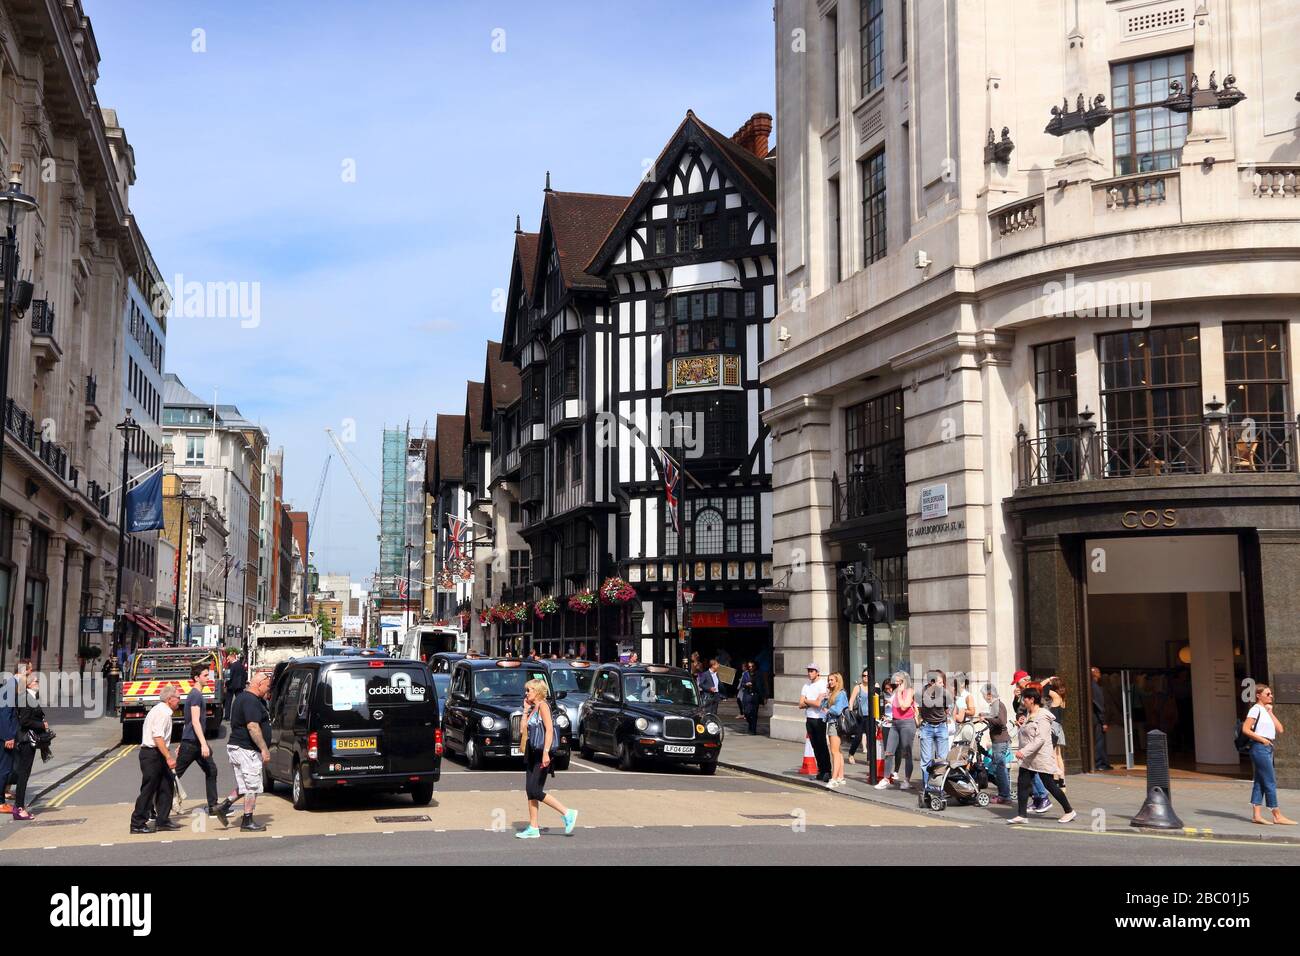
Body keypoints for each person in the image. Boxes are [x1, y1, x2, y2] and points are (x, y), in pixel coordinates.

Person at [515, 678, 578, 838]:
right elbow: (523, 731)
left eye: (529, 690)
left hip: (542, 752)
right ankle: (533, 827)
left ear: (537, 692)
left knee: (535, 790)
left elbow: (549, 730)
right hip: (531, 752)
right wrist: (524, 711)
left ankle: (567, 812)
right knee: (530, 791)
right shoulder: (533, 708)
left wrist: (546, 753)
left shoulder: (543, 706)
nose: (526, 693)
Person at [1007, 685, 1076, 824]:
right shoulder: (1029, 714)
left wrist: (1023, 752)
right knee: (1022, 783)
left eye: (1024, 699)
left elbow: (1041, 739)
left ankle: (1069, 811)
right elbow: (1031, 734)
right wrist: (1022, 726)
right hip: (1030, 758)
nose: (1023, 702)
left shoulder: (1043, 716)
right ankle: (1022, 815)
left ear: (1032, 699)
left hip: (1040, 757)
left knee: (1050, 784)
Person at [213, 669, 271, 832]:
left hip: (237, 748)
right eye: (267, 686)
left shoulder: (244, 698)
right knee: (252, 786)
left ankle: (224, 806)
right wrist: (264, 749)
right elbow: (253, 726)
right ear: (259, 684)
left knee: (245, 784)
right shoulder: (251, 701)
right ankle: (247, 820)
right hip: (246, 749)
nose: (268, 689)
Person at [174, 661, 224, 824]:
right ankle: (154, 806)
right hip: (193, 742)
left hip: (192, 741)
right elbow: (194, 722)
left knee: (212, 770)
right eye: (205, 675)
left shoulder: (196, 694)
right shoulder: (195, 695)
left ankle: (213, 807)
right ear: (196, 678)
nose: (208, 678)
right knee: (174, 776)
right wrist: (203, 744)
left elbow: (189, 722)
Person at [129, 683, 182, 834]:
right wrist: (168, 757)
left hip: (156, 753)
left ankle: (163, 820)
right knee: (149, 789)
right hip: (152, 754)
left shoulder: (162, 710)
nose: (179, 700)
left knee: (166, 786)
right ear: (169, 699)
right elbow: (157, 737)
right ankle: (137, 823)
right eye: (178, 697)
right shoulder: (163, 713)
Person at [1243, 684, 1295, 826]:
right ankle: (1276, 815)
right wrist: (1262, 740)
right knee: (1270, 781)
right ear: (1258, 695)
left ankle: (1257, 816)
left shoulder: (1266, 711)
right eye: (1267, 694)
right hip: (1260, 747)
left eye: (1271, 694)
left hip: (1267, 748)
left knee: (1260, 782)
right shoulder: (1255, 710)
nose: (1271, 696)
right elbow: (1245, 729)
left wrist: (1271, 712)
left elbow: (1280, 729)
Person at [1011, 670, 1050, 813]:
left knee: (1033, 771)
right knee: (1029, 771)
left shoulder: (1032, 692)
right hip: (1027, 733)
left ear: (1024, 680)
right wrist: (1016, 700)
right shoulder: (1023, 695)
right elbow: (1020, 711)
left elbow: (1034, 712)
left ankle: (1043, 797)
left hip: (1034, 735)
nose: (1017, 686)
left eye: (1017, 682)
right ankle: (1037, 798)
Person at [11, 669, 48, 820]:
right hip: (26, 741)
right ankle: (19, 808)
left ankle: (20, 807)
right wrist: (42, 725)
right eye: (36, 682)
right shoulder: (27, 698)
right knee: (23, 775)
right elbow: (24, 721)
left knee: (24, 774)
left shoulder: (30, 697)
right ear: (30, 685)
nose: (38, 684)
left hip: (27, 740)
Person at [876, 672, 915, 789]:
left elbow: (904, 706)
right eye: (896, 681)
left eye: (899, 681)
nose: (896, 683)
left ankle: (907, 780)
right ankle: (886, 778)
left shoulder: (909, 691)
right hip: (895, 723)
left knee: (907, 753)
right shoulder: (894, 692)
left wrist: (898, 692)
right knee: (888, 752)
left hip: (907, 723)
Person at [918, 670, 952, 792]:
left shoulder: (945, 693)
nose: (942, 684)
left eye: (943, 682)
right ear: (931, 682)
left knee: (942, 759)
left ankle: (940, 786)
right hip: (927, 726)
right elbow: (920, 709)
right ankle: (927, 787)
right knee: (926, 760)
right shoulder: (922, 692)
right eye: (940, 682)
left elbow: (948, 710)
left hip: (941, 726)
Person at [799, 664, 831, 782]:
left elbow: (819, 704)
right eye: (808, 671)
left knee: (822, 745)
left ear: (817, 672)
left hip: (819, 718)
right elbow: (800, 704)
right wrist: (811, 701)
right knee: (815, 746)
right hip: (809, 718)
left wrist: (806, 700)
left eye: (812, 671)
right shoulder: (806, 686)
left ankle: (827, 771)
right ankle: (821, 771)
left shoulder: (822, 684)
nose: (809, 673)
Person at [982, 683, 1012, 805]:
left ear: (989, 695)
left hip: (1000, 741)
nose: (984, 697)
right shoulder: (995, 705)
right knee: (999, 768)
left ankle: (1004, 796)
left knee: (1000, 769)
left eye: (984, 695)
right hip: (998, 741)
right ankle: (1004, 794)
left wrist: (987, 717)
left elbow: (1001, 722)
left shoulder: (998, 704)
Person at [821, 673, 849, 787]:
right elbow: (822, 707)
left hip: (835, 724)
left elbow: (837, 710)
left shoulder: (841, 694)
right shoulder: (832, 693)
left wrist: (828, 709)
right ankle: (841, 777)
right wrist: (826, 697)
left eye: (832, 680)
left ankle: (834, 778)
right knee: (839, 751)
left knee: (834, 752)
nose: (830, 682)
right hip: (833, 723)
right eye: (829, 680)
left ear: (838, 681)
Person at [847, 670, 878, 764]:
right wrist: (850, 712)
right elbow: (851, 700)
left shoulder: (873, 687)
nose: (865, 677)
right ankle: (851, 753)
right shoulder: (858, 687)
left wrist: (876, 688)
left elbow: (877, 699)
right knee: (858, 737)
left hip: (871, 716)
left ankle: (869, 759)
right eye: (864, 675)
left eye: (868, 676)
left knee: (871, 738)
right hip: (860, 716)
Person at [1043, 676, 1068, 792]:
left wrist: (1048, 680)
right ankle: (1062, 782)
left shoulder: (1054, 695)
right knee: (1058, 755)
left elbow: (1040, 688)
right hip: (1059, 727)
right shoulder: (1062, 698)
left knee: (1053, 755)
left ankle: (1055, 780)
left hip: (1053, 727)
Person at [1090, 666, 1112, 771]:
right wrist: (1103, 721)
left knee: (1099, 741)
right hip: (1097, 719)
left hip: (1095, 718)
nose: (1100, 674)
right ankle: (1100, 763)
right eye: (1098, 672)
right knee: (1099, 741)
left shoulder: (1091, 686)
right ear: (1096, 674)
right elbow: (1099, 705)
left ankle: (1102, 762)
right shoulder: (1095, 687)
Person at [224, 651, 246, 722]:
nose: (228, 660)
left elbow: (228, 676)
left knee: (228, 702)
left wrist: (226, 684)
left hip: (231, 686)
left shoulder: (231, 666)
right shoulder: (240, 665)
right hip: (239, 686)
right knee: (241, 701)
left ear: (232, 658)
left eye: (228, 659)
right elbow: (244, 675)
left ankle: (227, 716)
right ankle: (243, 715)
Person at [737, 662, 759, 734]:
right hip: (747, 695)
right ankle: (750, 724)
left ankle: (753, 730)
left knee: (754, 713)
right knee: (746, 713)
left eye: (752, 666)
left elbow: (761, 684)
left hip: (755, 695)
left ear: (755, 667)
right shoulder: (745, 674)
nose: (751, 668)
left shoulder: (758, 674)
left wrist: (764, 696)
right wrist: (746, 684)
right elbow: (742, 684)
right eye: (749, 667)